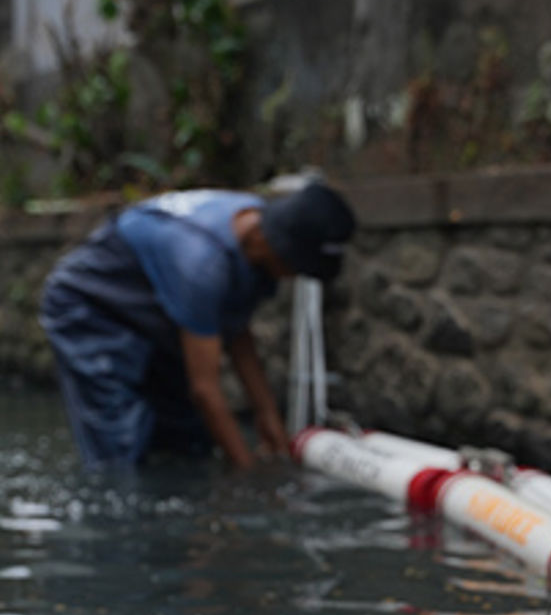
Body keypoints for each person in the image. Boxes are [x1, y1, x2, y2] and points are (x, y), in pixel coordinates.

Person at [38, 179, 356, 471]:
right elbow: (204, 388)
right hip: (91, 308)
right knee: (120, 442)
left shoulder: (255, 229)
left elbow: (237, 331)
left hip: (155, 314)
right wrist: (246, 476)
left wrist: (268, 418)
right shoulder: (200, 263)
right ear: (263, 242)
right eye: (290, 266)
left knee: (189, 438)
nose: (289, 276)